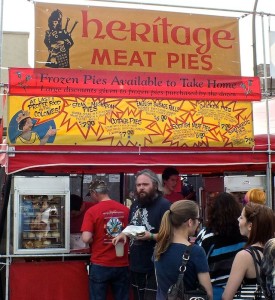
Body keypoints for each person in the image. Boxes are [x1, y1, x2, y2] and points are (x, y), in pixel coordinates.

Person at [113, 169, 171, 300]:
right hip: (136, 265)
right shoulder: (135, 205)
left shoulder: (164, 205)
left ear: (155, 185)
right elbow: (131, 226)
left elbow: (171, 236)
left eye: (145, 184)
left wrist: (150, 236)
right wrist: (124, 234)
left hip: (155, 267)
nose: (141, 188)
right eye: (139, 185)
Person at [81, 180, 130, 300]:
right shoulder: (125, 210)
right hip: (121, 263)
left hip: (100, 263)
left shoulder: (92, 211)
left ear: (94, 193)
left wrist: (96, 238)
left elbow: (86, 238)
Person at [154, 200, 213, 300]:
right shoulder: (196, 252)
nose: (199, 222)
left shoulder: (158, 249)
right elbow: (208, 294)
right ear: (190, 222)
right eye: (198, 219)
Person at [195, 192, 247, 300]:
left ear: (213, 211)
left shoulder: (207, 235)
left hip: (213, 291)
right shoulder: (243, 233)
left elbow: (197, 261)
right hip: (240, 290)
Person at [222, 202, 275, 300]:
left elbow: (227, 296)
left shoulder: (245, 256)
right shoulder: (272, 250)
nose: (238, 219)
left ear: (250, 226)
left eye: (241, 217)